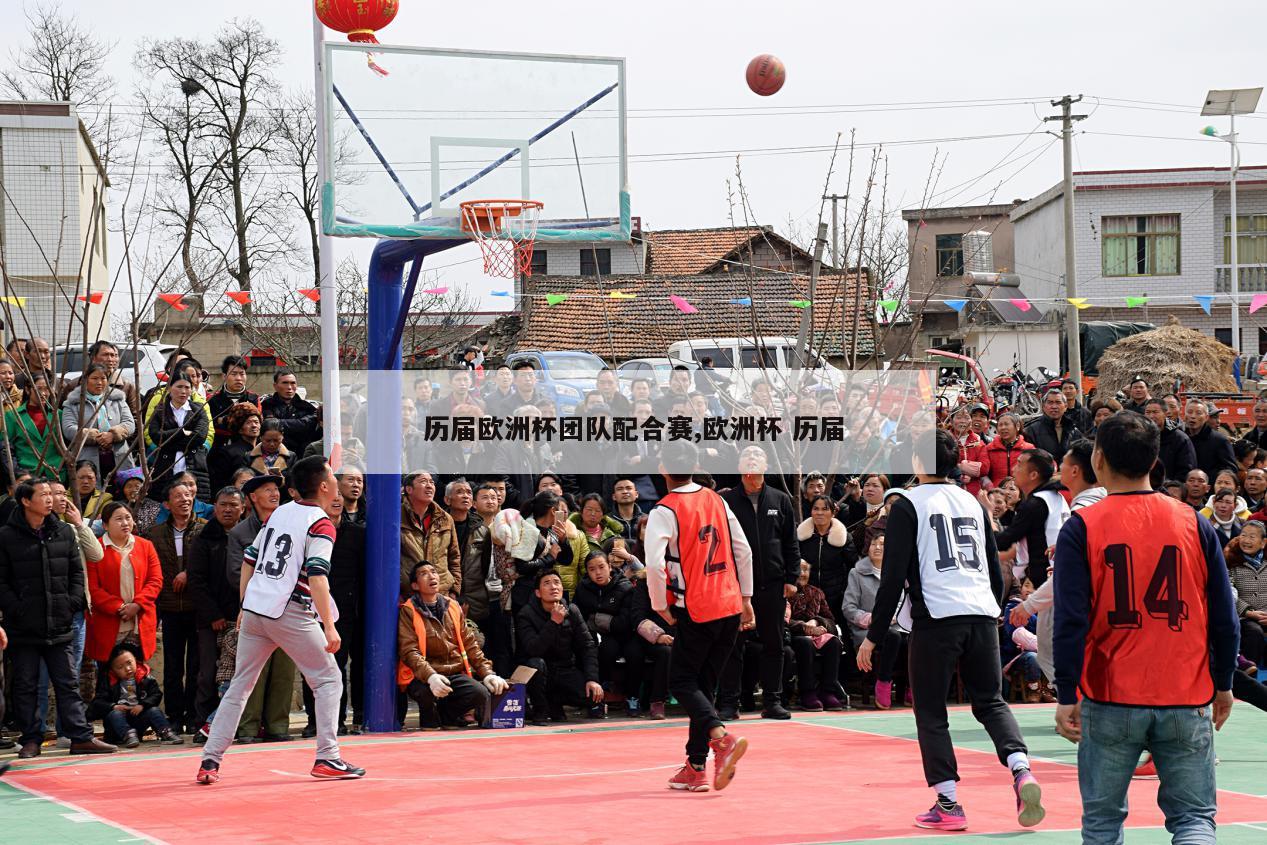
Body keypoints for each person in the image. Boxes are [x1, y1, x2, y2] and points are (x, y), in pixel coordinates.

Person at [1052, 412, 1239, 844]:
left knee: (1102, 823)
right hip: (1185, 690)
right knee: (1194, 820)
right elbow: (1223, 615)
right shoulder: (1194, 522)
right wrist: (1224, 682)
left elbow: (1070, 622)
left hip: (1111, 692)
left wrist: (1065, 693)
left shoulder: (1083, 526)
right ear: (1156, 460)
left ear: (1098, 459)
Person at [858, 429, 1043, 832]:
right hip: (979, 612)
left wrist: (873, 635)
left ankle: (948, 803)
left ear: (918, 463)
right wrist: (992, 608)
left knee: (930, 710)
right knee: (991, 702)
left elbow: (892, 578)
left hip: (937, 617)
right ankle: (1021, 768)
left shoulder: (908, 505)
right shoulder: (972, 501)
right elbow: (994, 567)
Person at [196, 456, 364, 784]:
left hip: (258, 607)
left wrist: (245, 604)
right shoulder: (321, 523)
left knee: (240, 686)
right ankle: (327, 756)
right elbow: (317, 575)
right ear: (325, 486)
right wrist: (329, 625)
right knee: (329, 679)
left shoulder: (280, 513)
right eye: (332, 477)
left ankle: (210, 760)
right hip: (287, 610)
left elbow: (249, 558)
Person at [645, 440, 754, 792]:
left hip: (697, 605)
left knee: (681, 683)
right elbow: (743, 550)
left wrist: (660, 603)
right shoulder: (717, 499)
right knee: (703, 685)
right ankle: (695, 765)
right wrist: (747, 597)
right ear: (694, 465)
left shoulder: (665, 509)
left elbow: (653, 565)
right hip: (729, 602)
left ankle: (720, 739)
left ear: (663, 469)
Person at [0, 478, 117, 757]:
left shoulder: (63, 531)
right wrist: (17, 608)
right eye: (43, 495)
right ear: (26, 501)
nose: (50, 499)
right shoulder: (6, 536)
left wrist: (71, 603)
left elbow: (78, 572)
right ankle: (31, 738)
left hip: (61, 622)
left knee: (68, 682)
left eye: (51, 495)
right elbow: (1, 582)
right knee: (27, 684)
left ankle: (80, 736)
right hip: (23, 627)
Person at [1008, 439, 1103, 686]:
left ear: (1074, 471)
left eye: (1063, 464)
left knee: (1054, 651)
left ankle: (1077, 704)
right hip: (1085, 590)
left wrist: (1029, 606)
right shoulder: (1089, 501)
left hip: (1076, 592)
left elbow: (1069, 571)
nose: (1058, 470)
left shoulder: (1082, 506)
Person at [720, 446, 800, 720]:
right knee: (733, 645)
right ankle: (730, 702)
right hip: (737, 587)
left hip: (773, 585)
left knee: (774, 645)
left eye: (757, 456)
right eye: (746, 456)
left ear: (766, 465)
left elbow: (790, 542)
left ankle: (772, 701)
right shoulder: (727, 501)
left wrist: (791, 578)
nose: (751, 459)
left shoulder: (780, 500)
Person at [226, 474, 295, 743]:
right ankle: (247, 728)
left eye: (276, 489)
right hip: (256, 608)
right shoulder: (241, 532)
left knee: (283, 670)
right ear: (253, 498)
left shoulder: (290, 525)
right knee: (253, 669)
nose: (274, 494)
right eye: (267, 490)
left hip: (287, 607)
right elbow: (235, 573)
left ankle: (278, 726)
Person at [397, 560, 507, 730]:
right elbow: (409, 650)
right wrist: (431, 676)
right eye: (424, 573)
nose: (431, 576)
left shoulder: (453, 607)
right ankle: (430, 717)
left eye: (433, 571)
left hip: (453, 672)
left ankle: (447, 715)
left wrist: (487, 673)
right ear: (415, 585)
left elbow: (471, 644)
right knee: (425, 694)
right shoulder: (408, 610)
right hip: (423, 675)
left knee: (480, 692)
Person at [147, 480, 205, 734]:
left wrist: (188, 574)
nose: (185, 499)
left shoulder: (205, 528)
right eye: (178, 496)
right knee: (172, 667)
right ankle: (174, 715)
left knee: (196, 666)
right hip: (169, 607)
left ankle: (193, 715)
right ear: (166, 504)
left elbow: (209, 564)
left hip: (197, 607)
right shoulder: (155, 533)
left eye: (188, 495)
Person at [186, 487, 245, 729]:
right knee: (208, 673)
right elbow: (196, 580)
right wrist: (213, 614)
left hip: (243, 617)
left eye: (233, 505)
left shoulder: (250, 536)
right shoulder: (203, 539)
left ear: (243, 508)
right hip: (211, 620)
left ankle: (237, 724)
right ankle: (203, 722)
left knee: (240, 674)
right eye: (223, 504)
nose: (228, 509)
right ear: (215, 506)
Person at [515, 568, 604, 723]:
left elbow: (587, 645)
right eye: (547, 584)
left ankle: (554, 702)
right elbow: (533, 649)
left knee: (594, 699)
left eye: (557, 583)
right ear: (538, 593)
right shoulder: (526, 614)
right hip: (538, 672)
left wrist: (592, 679)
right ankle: (540, 709)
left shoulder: (572, 610)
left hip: (565, 669)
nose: (553, 587)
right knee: (536, 664)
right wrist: (553, 622)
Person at [86, 501, 164, 668]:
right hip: (108, 622)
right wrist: (119, 607)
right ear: (105, 525)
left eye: (128, 518)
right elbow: (92, 588)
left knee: (138, 673)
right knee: (107, 675)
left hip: (139, 621)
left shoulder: (145, 546)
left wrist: (137, 604)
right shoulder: (95, 549)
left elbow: (155, 580)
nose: (125, 523)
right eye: (119, 519)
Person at [845, 532, 908, 708]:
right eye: (874, 544)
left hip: (895, 625)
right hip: (867, 630)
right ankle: (883, 682)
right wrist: (873, 619)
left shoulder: (897, 572)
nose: (878, 547)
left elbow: (902, 601)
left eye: (882, 544)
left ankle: (911, 688)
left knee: (909, 640)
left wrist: (892, 617)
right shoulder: (856, 573)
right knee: (894, 637)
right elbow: (848, 608)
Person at [574, 550, 637, 713]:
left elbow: (625, 622)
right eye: (592, 569)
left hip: (627, 634)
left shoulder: (625, 587)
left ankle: (633, 697)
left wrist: (597, 619)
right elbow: (578, 617)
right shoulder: (582, 589)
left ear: (610, 567)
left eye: (601, 567)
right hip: (601, 637)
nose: (598, 573)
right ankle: (597, 698)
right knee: (602, 649)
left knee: (635, 653)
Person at [995, 449, 1068, 588]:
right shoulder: (1055, 496)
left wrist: (987, 517)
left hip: (1049, 578)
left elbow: (1004, 541)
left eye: (1019, 464)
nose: (1013, 469)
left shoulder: (1035, 504)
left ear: (1033, 475)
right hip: (1059, 572)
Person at [88, 641, 183, 747]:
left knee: (154, 711)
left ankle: (166, 732)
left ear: (136, 661)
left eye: (129, 663)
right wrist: (114, 706)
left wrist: (143, 705)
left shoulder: (145, 678)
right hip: (117, 725)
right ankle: (128, 736)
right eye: (120, 667)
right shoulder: (108, 681)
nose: (127, 669)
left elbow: (156, 694)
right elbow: (97, 702)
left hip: (138, 718)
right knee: (115, 714)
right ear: (113, 670)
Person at [787, 560, 846, 711]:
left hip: (816, 633)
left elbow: (831, 621)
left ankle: (827, 692)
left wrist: (816, 621)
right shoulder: (785, 591)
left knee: (833, 642)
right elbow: (781, 620)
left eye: (806, 569)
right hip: (792, 634)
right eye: (799, 569)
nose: (802, 573)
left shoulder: (816, 593)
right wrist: (804, 627)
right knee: (804, 643)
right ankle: (807, 693)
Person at [61, 363, 136, 483]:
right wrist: (93, 436)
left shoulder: (117, 399)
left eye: (103, 378)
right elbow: (68, 429)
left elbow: (130, 423)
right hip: (87, 459)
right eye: (95, 378)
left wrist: (113, 435)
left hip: (119, 457)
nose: (99, 382)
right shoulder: (73, 403)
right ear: (85, 381)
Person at [146, 375, 212, 501]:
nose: (183, 391)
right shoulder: (160, 411)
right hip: (165, 469)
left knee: (195, 508)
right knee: (164, 507)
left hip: (194, 466)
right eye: (179, 387)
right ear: (170, 388)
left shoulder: (198, 410)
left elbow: (199, 437)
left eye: (187, 387)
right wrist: (182, 432)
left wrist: (169, 441)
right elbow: (156, 437)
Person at [797, 494, 857, 626]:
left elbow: (853, 566)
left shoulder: (843, 537)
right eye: (816, 508)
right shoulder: (800, 536)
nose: (819, 513)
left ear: (833, 512)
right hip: (806, 595)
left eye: (825, 509)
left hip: (836, 597)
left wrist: (844, 591)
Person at [399, 471, 461, 597]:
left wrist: (454, 591)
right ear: (409, 489)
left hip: (442, 594)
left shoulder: (445, 519)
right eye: (423, 482)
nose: (429, 486)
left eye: (432, 482)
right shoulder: (396, 516)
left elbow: (454, 557)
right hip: (408, 595)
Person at [5, 371, 64, 480]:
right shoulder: (12, 416)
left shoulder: (58, 415)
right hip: (28, 475)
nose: (43, 393)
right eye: (38, 389)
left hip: (56, 474)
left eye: (46, 389)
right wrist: (17, 472)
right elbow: (6, 449)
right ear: (27, 390)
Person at [1226, 519, 1267, 669]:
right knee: (1254, 633)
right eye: (1243, 535)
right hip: (1244, 617)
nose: (1246, 540)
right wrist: (1249, 612)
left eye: (1252, 536)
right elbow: (1228, 594)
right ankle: (1248, 679)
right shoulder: (1231, 562)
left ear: (1263, 543)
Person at [260, 369, 321, 456]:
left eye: (293, 383)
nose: (289, 387)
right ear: (275, 386)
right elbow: (268, 427)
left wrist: (278, 422)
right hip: (274, 454)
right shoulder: (266, 405)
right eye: (285, 383)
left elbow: (307, 425)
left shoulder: (308, 407)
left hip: (303, 454)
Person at [208, 402, 262, 494]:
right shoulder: (227, 453)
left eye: (256, 422)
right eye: (248, 422)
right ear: (240, 429)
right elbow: (219, 484)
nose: (254, 425)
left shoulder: (264, 450)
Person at [207, 356, 260, 445]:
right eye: (234, 374)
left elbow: (256, 422)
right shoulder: (213, 400)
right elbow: (211, 425)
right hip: (220, 448)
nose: (238, 378)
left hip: (248, 447)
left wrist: (223, 420)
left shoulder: (253, 398)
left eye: (242, 374)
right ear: (224, 376)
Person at [1144, 398, 1197, 482]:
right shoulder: (1140, 437)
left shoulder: (1180, 439)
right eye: (1148, 412)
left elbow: (1186, 470)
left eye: (1155, 412)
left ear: (1165, 414)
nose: (1151, 416)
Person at [1185, 399, 1237, 482]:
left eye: (1198, 413)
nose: (1193, 416)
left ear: (1206, 417)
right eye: (1190, 412)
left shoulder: (1220, 441)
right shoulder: (1181, 438)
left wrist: (1207, 479)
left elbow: (1230, 470)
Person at [1023, 389, 1080, 464]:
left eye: (1058, 402)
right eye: (1050, 403)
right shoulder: (1031, 430)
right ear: (1043, 406)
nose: (1054, 406)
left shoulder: (1073, 429)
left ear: (1065, 406)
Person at [982, 413, 1033, 489]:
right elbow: (983, 473)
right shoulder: (989, 449)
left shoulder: (1028, 448)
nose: (1003, 428)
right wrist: (990, 487)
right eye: (1000, 425)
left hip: (1021, 492)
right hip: (997, 493)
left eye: (1006, 424)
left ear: (1017, 426)